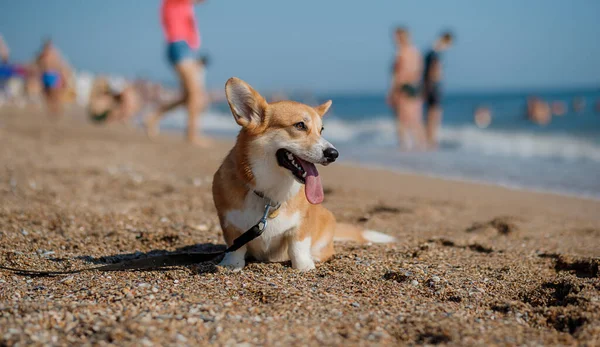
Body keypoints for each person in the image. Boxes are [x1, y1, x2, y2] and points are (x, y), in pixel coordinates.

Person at [145, 0, 210, 146]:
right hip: (178, 46)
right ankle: (192, 134)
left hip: (185, 48)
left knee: (189, 96)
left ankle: (154, 116)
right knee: (196, 93)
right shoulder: (176, 2)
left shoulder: (185, 5)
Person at [387, 27, 426, 150]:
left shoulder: (401, 52)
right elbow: (419, 72)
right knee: (416, 120)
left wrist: (392, 92)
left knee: (401, 121)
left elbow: (397, 75)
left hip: (402, 89)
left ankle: (404, 147)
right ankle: (422, 147)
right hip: (415, 88)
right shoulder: (416, 52)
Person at [423, 31, 454, 148]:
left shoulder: (430, 51)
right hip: (433, 86)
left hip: (429, 86)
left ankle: (429, 140)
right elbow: (433, 70)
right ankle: (431, 141)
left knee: (431, 114)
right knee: (434, 114)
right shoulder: (436, 52)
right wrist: (434, 82)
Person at [36, 39, 72, 119]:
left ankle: (57, 109)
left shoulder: (54, 54)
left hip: (53, 75)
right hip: (46, 75)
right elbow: (39, 65)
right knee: (47, 94)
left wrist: (63, 77)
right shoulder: (42, 54)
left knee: (55, 93)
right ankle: (52, 109)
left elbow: (59, 65)